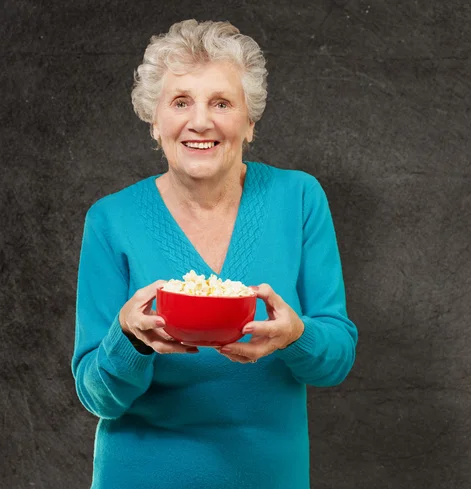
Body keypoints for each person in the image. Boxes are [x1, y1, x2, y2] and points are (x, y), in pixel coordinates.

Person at [72, 19, 358, 489]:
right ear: (154, 120)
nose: (200, 121)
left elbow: (336, 360)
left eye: (221, 103)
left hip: (268, 476)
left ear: (249, 122)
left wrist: (295, 336)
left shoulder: (299, 198)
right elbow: (97, 396)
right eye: (180, 102)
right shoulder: (111, 219)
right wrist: (130, 339)